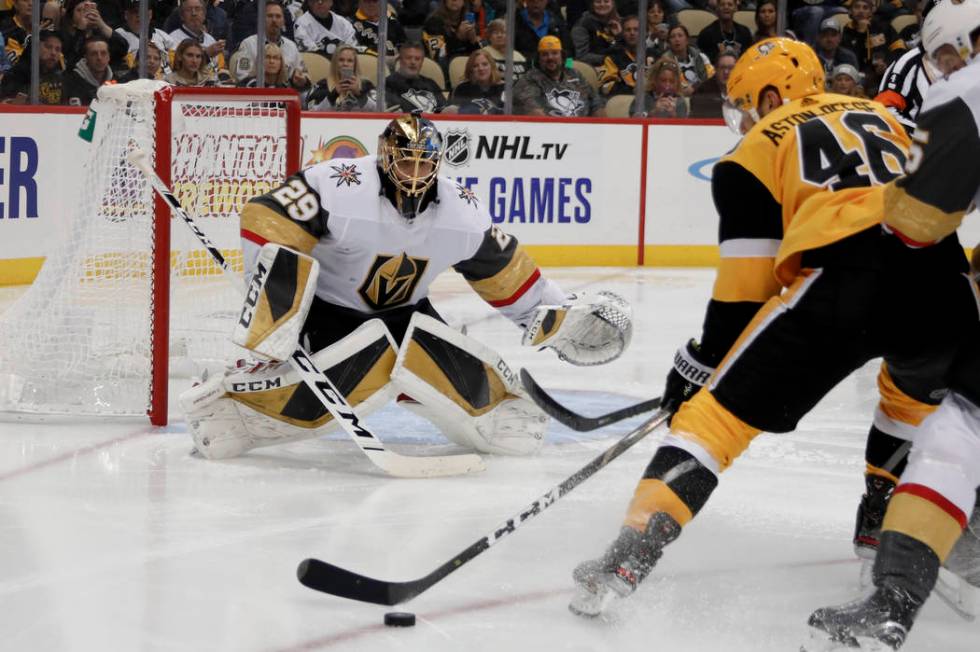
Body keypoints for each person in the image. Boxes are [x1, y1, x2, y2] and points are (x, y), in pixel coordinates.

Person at [567, 37, 978, 623]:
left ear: (768, 94)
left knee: (714, 421)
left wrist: (699, 366)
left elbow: (743, 295)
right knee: (911, 406)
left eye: (744, 102)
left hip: (846, 275)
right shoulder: (889, 117)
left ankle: (628, 556)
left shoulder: (755, 148)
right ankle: (878, 535)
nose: (744, 116)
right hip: (943, 278)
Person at [179, 112, 631, 461]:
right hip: (328, 312)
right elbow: (266, 216)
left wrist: (558, 316)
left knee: (477, 394)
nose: (415, 173)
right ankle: (234, 405)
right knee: (356, 376)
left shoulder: (461, 212)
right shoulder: (339, 185)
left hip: (406, 316)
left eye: (425, 162)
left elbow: (507, 272)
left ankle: (487, 412)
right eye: (406, 160)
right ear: (384, 155)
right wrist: (274, 310)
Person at [808, 2, 980, 647]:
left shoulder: (965, 93)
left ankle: (894, 599)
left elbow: (916, 223)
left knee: (957, 429)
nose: (940, 69)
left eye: (941, 56)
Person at [874, 0, 941, 134]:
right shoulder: (907, 63)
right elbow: (884, 110)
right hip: (920, 148)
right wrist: (927, 138)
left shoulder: (972, 60)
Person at [513, 34, 606, 116]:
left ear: (562, 56)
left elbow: (595, 102)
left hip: (583, 129)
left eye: (554, 53)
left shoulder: (575, 75)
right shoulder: (530, 79)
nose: (550, 58)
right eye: (545, 54)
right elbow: (534, 112)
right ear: (538, 59)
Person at [232, 0, 309, 90]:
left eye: (278, 16)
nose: (274, 20)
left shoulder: (291, 46)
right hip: (256, 95)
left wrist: (301, 80)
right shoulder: (248, 44)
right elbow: (242, 75)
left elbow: (302, 73)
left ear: (283, 21)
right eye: (269, 16)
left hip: (285, 97)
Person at [0, 29, 64, 103]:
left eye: (57, 49)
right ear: (34, 47)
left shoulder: (59, 78)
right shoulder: (16, 75)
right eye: (48, 47)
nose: (53, 53)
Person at [61, 0, 129, 70]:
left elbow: (122, 48)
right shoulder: (64, 37)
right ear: (72, 19)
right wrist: (80, 30)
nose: (85, 13)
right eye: (79, 10)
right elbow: (72, 61)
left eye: (89, 9)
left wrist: (101, 25)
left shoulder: (101, 35)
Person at [307, 42, 377, 110]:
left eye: (350, 61)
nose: (345, 64)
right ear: (335, 63)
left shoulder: (366, 85)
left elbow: (380, 111)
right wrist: (333, 95)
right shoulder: (322, 85)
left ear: (355, 64)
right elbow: (311, 112)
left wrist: (359, 95)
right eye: (341, 60)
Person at [840, 0, 904, 74]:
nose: (861, 11)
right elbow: (849, 59)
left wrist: (887, 64)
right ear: (850, 11)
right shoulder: (847, 30)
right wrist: (860, 34)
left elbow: (899, 48)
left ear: (871, 12)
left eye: (865, 8)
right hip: (859, 74)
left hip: (885, 71)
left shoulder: (882, 26)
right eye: (857, 7)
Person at [385, 40, 447, 112]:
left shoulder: (431, 84)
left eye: (417, 59)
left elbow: (444, 109)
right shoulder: (387, 84)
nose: (413, 62)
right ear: (400, 60)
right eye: (408, 58)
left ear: (422, 62)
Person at [168, 0, 227, 74]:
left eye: (197, 9)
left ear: (204, 14)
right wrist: (206, 55)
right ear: (182, 16)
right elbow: (175, 69)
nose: (194, 13)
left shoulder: (211, 40)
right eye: (189, 10)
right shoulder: (172, 40)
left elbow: (221, 69)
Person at [116, 0, 176, 73]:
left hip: (163, 82)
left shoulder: (163, 36)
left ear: (150, 14)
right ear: (126, 15)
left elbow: (177, 65)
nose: (139, 15)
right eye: (135, 12)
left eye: (143, 12)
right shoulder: (118, 36)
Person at [423, 0, 480, 68]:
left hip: (467, 64)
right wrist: (457, 37)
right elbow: (437, 55)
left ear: (464, 2)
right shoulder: (433, 22)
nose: (454, 0)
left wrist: (473, 40)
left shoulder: (467, 20)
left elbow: (476, 53)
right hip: (443, 66)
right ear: (445, 1)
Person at [598, 14, 646, 96]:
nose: (632, 33)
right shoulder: (613, 57)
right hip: (624, 101)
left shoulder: (654, 55)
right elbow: (606, 87)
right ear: (623, 33)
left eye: (636, 29)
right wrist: (632, 90)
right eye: (628, 30)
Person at [662, 23, 714, 96]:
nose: (677, 39)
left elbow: (712, 79)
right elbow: (669, 88)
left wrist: (695, 87)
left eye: (680, 36)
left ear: (687, 40)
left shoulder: (701, 57)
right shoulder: (665, 61)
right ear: (669, 42)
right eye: (672, 37)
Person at [64, 34, 114, 105]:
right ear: (86, 57)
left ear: (109, 57)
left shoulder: (117, 82)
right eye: (94, 54)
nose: (99, 58)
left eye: (103, 53)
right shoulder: (71, 83)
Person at [449, 48, 504, 113]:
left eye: (485, 64)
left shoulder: (505, 88)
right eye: (475, 66)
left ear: (492, 66)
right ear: (471, 70)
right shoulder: (461, 88)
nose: (481, 68)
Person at [571, 0, 622, 67]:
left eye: (606, 1)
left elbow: (628, 50)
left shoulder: (620, 22)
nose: (602, 4)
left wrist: (619, 35)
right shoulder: (582, 25)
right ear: (592, 5)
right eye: (598, 2)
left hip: (619, 66)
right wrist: (609, 59)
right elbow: (581, 56)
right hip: (591, 68)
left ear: (612, 4)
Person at [689, 48, 736, 117]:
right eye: (722, 67)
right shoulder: (702, 91)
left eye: (730, 68)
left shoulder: (744, 89)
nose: (726, 72)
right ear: (715, 69)